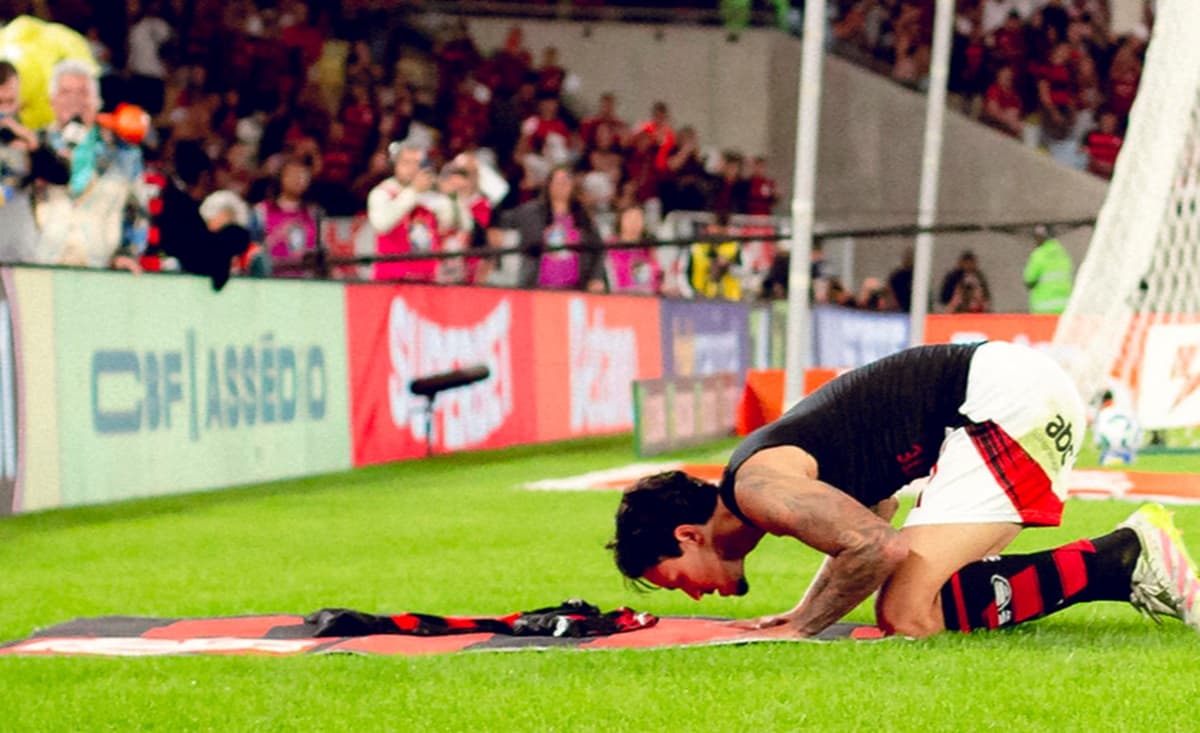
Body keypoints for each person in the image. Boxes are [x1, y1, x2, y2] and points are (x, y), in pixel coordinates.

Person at [609, 341, 1200, 637]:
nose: (690, 596)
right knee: (910, 597)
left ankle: (1120, 559)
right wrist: (802, 608)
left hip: (1000, 403)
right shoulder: (762, 481)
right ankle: (1116, 564)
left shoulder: (757, 487)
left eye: (676, 578)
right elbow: (877, 515)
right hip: (1006, 391)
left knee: (907, 611)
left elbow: (876, 546)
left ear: (690, 535)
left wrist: (802, 628)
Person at [0, 60, 70, 263]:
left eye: (10, 102)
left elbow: (61, 175)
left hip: (19, 251)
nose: (5, 110)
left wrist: (34, 146)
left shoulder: (29, 139)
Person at [1024, 225, 1074, 314]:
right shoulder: (1063, 254)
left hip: (1043, 309)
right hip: (1064, 308)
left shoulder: (1038, 255)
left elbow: (1029, 281)